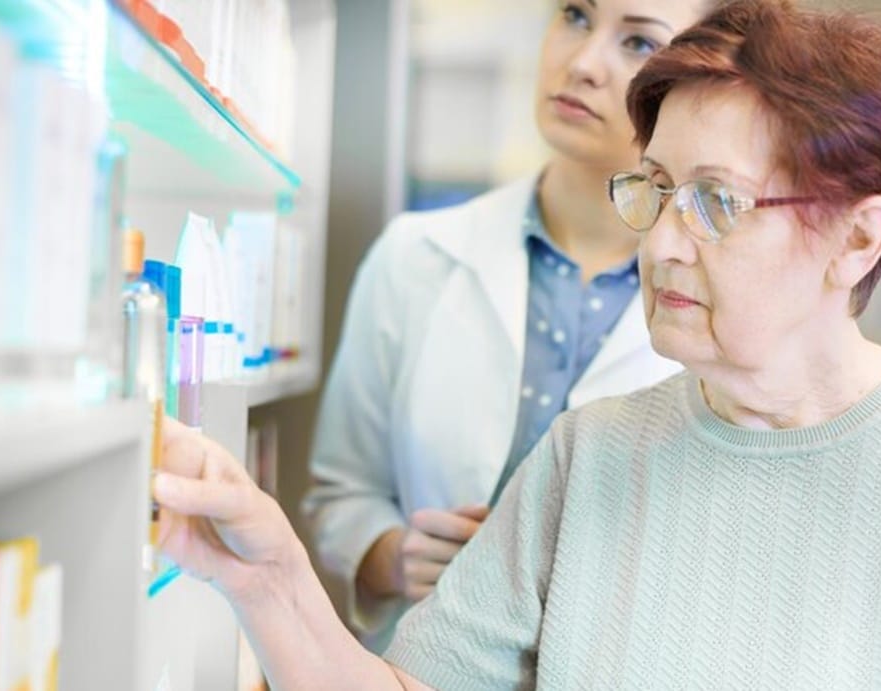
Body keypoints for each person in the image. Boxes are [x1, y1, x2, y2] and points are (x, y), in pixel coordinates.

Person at [155, 1, 881, 688]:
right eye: (653, 190)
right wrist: (272, 579)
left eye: (713, 202)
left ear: (858, 237)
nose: (658, 241)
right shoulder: (590, 455)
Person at [303, 0, 709, 651]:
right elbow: (340, 493)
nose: (581, 64)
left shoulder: (715, 302)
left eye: (637, 43)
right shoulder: (415, 255)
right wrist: (387, 553)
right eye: (576, 15)